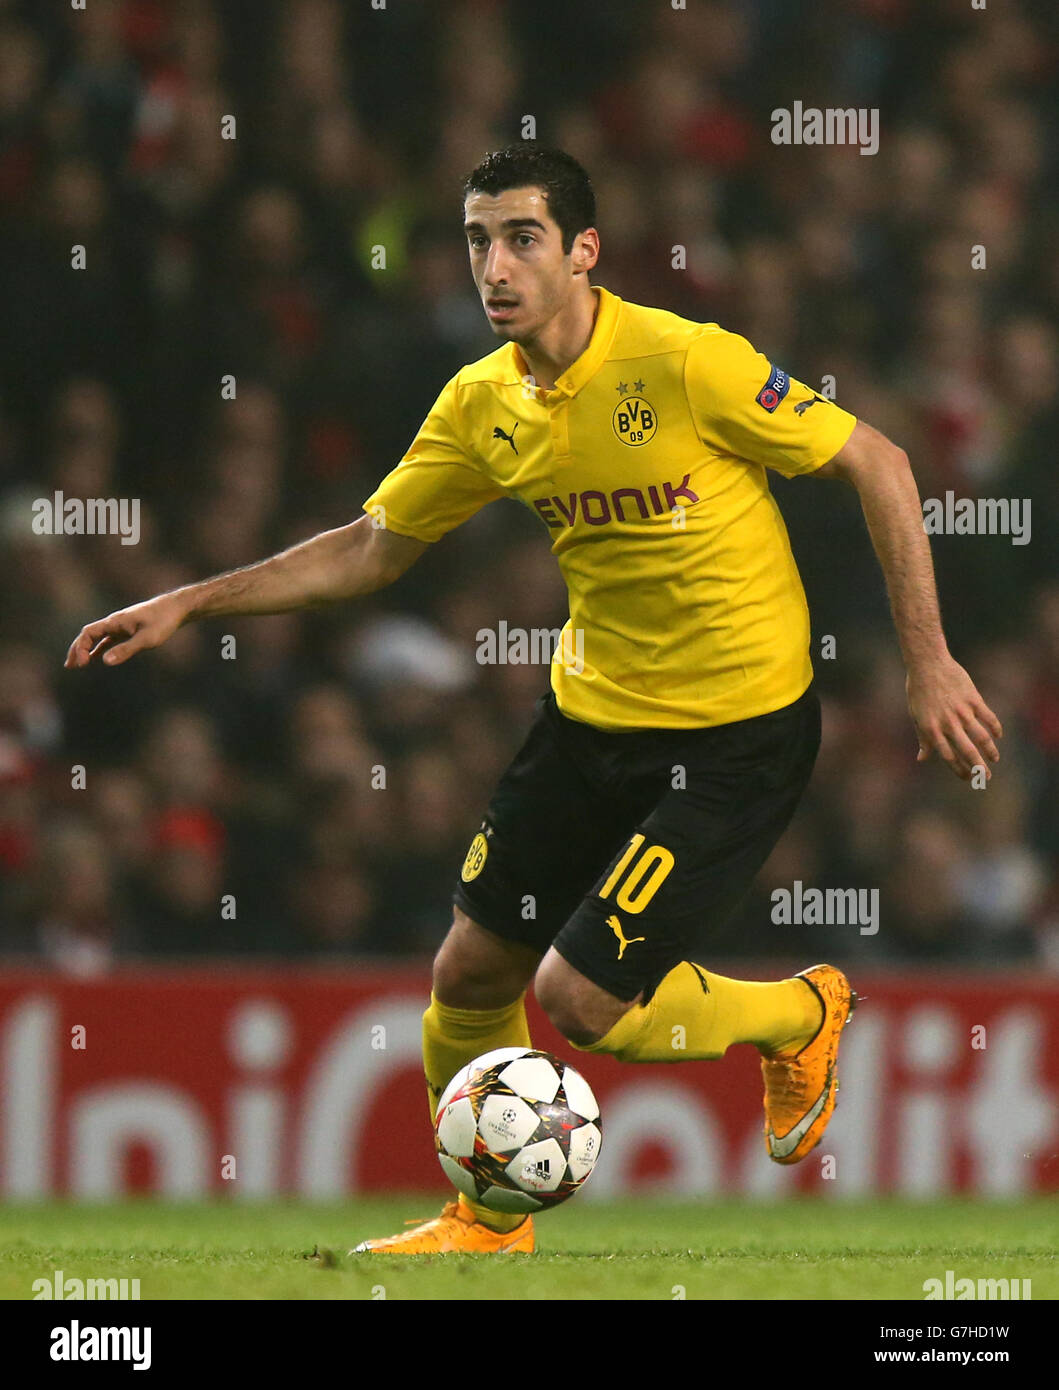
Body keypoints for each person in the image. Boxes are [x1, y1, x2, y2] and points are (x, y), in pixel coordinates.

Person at [65, 145, 1002, 1254]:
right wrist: (192, 601)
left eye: (521, 237)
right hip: (590, 718)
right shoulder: (482, 403)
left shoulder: (685, 361)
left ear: (584, 253)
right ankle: (488, 1222)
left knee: (577, 1001)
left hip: (736, 730)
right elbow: (374, 547)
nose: (494, 266)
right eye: (476, 241)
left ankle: (802, 1012)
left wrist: (928, 661)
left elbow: (881, 462)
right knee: (468, 970)